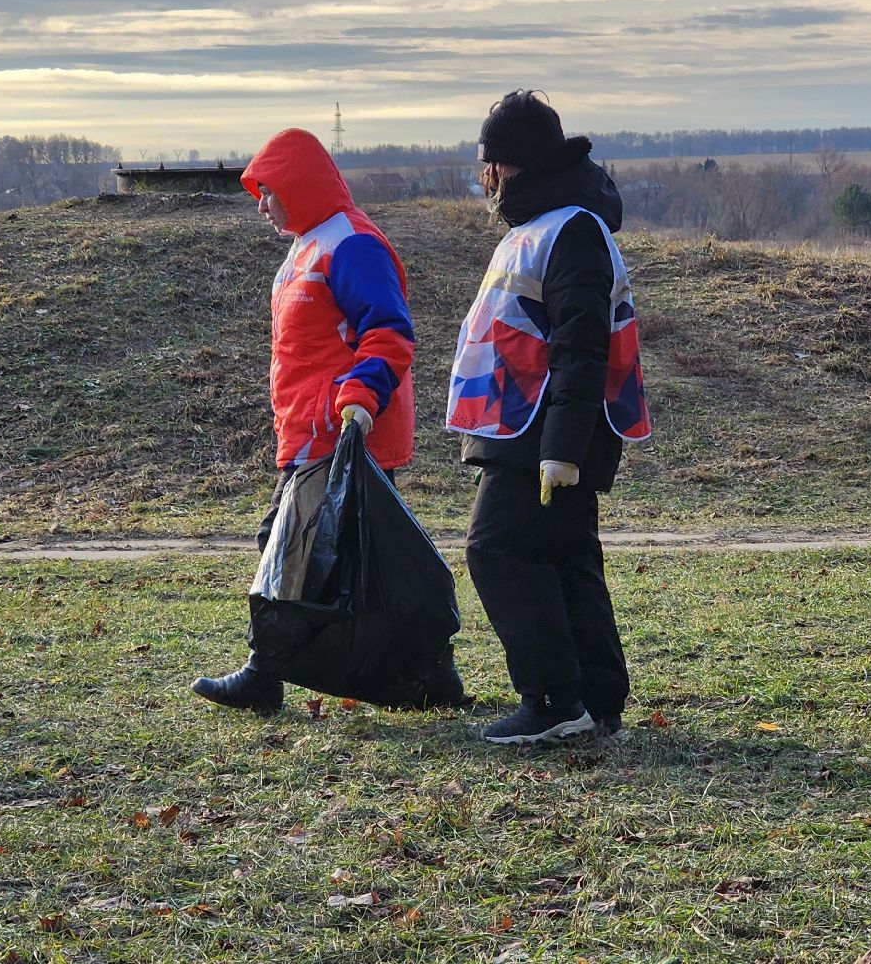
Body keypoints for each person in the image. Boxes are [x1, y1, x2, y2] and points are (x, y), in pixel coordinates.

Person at [192, 127, 461, 713]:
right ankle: (439, 680)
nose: (261, 205)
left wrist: (357, 402)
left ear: (298, 183)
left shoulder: (353, 245)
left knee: (284, 546)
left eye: (268, 190)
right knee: (371, 556)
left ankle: (264, 676)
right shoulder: (310, 244)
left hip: (341, 430)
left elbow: (389, 333)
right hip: (313, 430)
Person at [447, 91, 652, 744]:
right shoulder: (540, 227)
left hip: (546, 435)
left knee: (495, 549)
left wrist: (561, 448)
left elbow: (582, 344)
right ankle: (595, 699)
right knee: (565, 557)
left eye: (494, 164)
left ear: (518, 165)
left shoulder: (571, 230)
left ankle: (552, 698)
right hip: (528, 428)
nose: (487, 179)